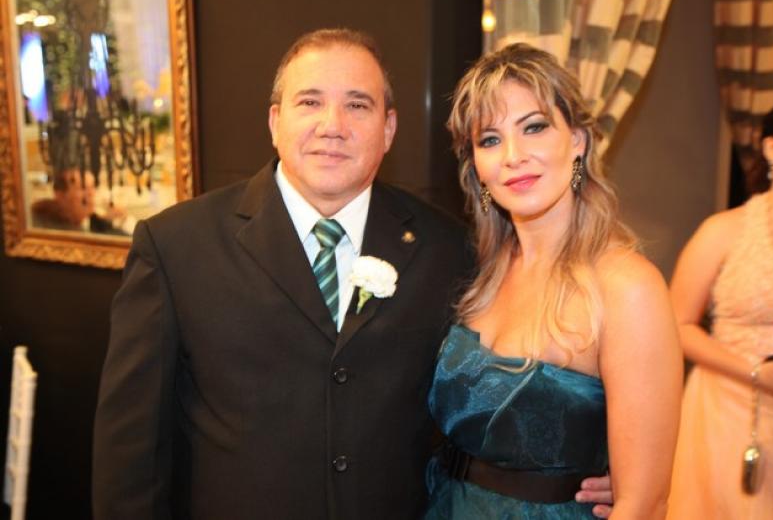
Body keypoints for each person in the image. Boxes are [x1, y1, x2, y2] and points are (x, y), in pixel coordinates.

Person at [92, 29, 613, 520]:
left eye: (358, 105)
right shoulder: (176, 246)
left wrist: (592, 467)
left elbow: (486, 398)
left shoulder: (448, 248)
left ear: (388, 129)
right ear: (275, 122)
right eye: (309, 102)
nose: (332, 125)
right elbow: (132, 449)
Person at [423, 43, 683, 519]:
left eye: (534, 127)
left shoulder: (627, 288)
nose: (513, 156)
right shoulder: (481, 271)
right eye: (490, 140)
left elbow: (644, 503)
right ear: (475, 166)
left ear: (578, 140)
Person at [667, 92, 773, 519]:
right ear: (772, 147)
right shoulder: (723, 232)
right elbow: (677, 326)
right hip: (731, 413)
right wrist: (755, 372)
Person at [30, 167, 129, 234]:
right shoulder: (38, 225)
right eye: (83, 188)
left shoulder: (102, 227)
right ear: (60, 195)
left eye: (92, 187)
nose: (91, 194)